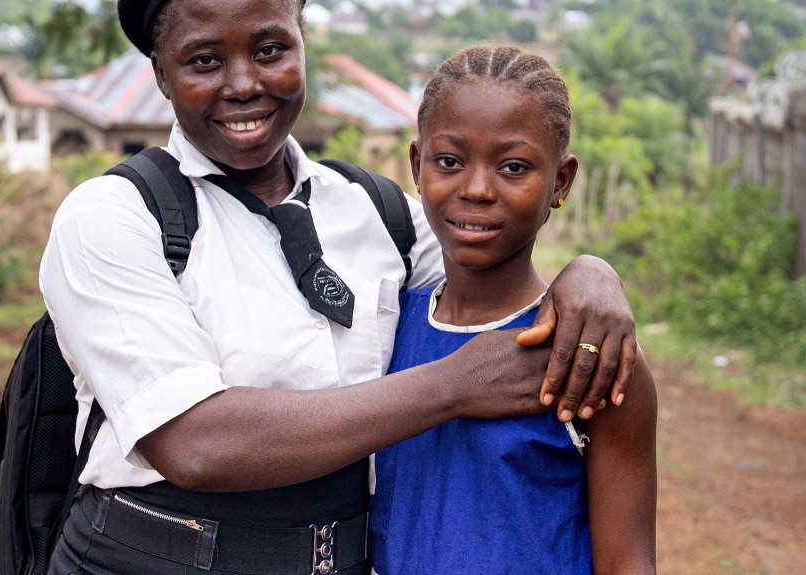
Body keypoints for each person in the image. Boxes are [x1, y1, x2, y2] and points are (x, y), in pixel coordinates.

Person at [39, 0, 642, 573]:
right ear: (161, 74)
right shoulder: (115, 218)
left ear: (303, 46)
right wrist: (454, 385)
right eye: (205, 60)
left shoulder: (381, 215)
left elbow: (496, 280)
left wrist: (592, 273)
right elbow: (195, 446)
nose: (245, 83)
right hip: (153, 558)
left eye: (271, 49)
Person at [368, 45, 657, 574]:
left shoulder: (589, 352)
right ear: (416, 164)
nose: (477, 189)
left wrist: (595, 266)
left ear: (561, 182)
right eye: (449, 161)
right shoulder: (382, 330)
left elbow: (628, 562)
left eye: (514, 167)